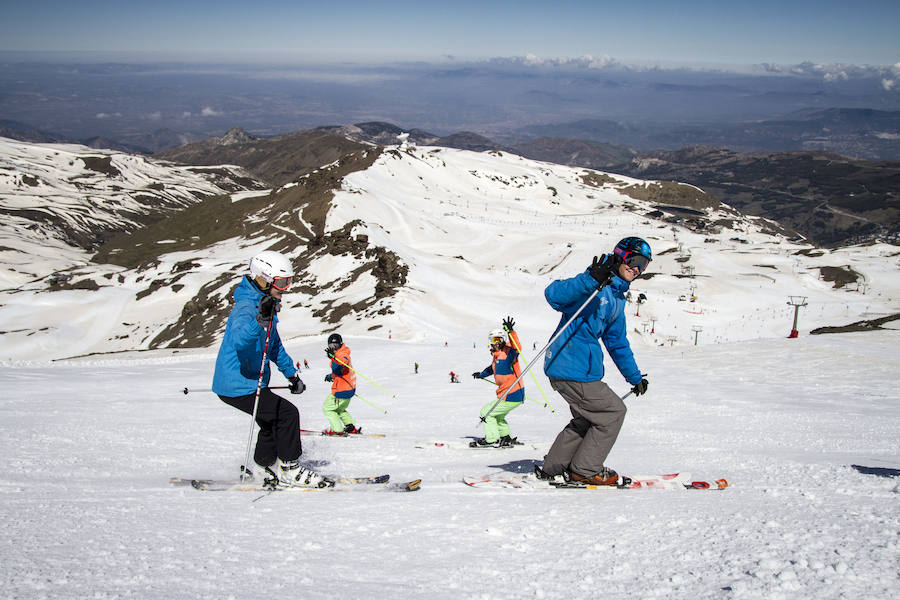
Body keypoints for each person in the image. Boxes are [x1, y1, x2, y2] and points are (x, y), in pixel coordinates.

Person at [534, 237, 652, 486]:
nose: (637, 268)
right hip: (569, 366)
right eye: (634, 260)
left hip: (581, 370)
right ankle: (585, 470)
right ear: (620, 256)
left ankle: (553, 467)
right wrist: (590, 280)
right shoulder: (595, 284)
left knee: (586, 419)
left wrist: (635, 377)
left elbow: (617, 343)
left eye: (644, 264)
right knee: (612, 413)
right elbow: (553, 295)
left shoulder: (617, 298)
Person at [212, 250, 331, 488]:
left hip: (249, 382)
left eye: (288, 282)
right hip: (238, 384)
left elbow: (273, 345)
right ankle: (290, 469)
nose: (285, 288)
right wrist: (260, 321)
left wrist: (291, 374)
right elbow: (239, 342)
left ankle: (263, 465)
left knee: (271, 421)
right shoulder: (246, 307)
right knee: (287, 414)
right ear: (263, 279)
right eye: (281, 282)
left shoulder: (266, 304)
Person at [470, 317, 525, 448]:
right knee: (498, 416)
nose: (498, 342)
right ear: (490, 341)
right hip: (507, 394)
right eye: (495, 340)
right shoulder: (496, 356)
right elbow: (491, 369)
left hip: (512, 393)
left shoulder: (508, 354)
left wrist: (511, 332)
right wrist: (481, 374)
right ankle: (505, 437)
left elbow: (517, 348)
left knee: (486, 413)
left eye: (500, 339)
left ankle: (492, 439)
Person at [322, 333, 359, 435]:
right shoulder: (338, 355)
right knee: (339, 409)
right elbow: (340, 371)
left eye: (336, 346)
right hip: (348, 389)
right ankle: (350, 427)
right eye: (331, 346)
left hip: (342, 390)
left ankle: (337, 430)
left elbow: (343, 361)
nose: (333, 348)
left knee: (327, 408)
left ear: (340, 345)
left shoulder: (343, 354)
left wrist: (334, 357)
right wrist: (331, 376)